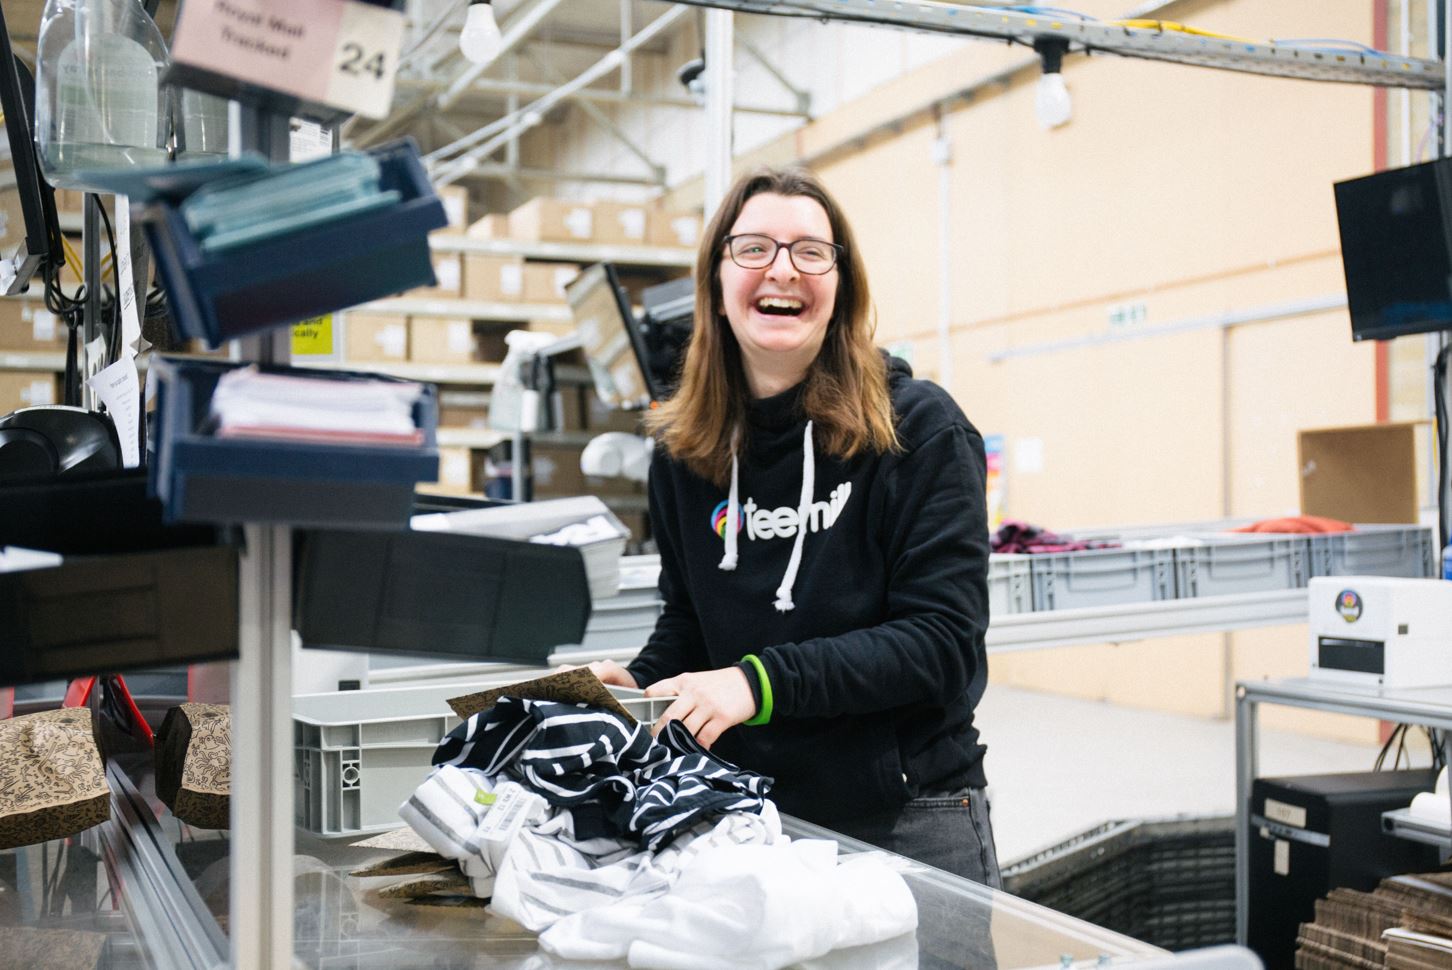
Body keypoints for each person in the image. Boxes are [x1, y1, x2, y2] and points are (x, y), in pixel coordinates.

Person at [588, 166, 998, 886]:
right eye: (754, 248)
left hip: (908, 816)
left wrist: (757, 683)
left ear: (842, 285)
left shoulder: (919, 429)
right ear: (716, 281)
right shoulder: (684, 452)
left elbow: (942, 644)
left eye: (811, 251)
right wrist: (638, 683)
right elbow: (692, 625)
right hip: (746, 812)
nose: (783, 269)